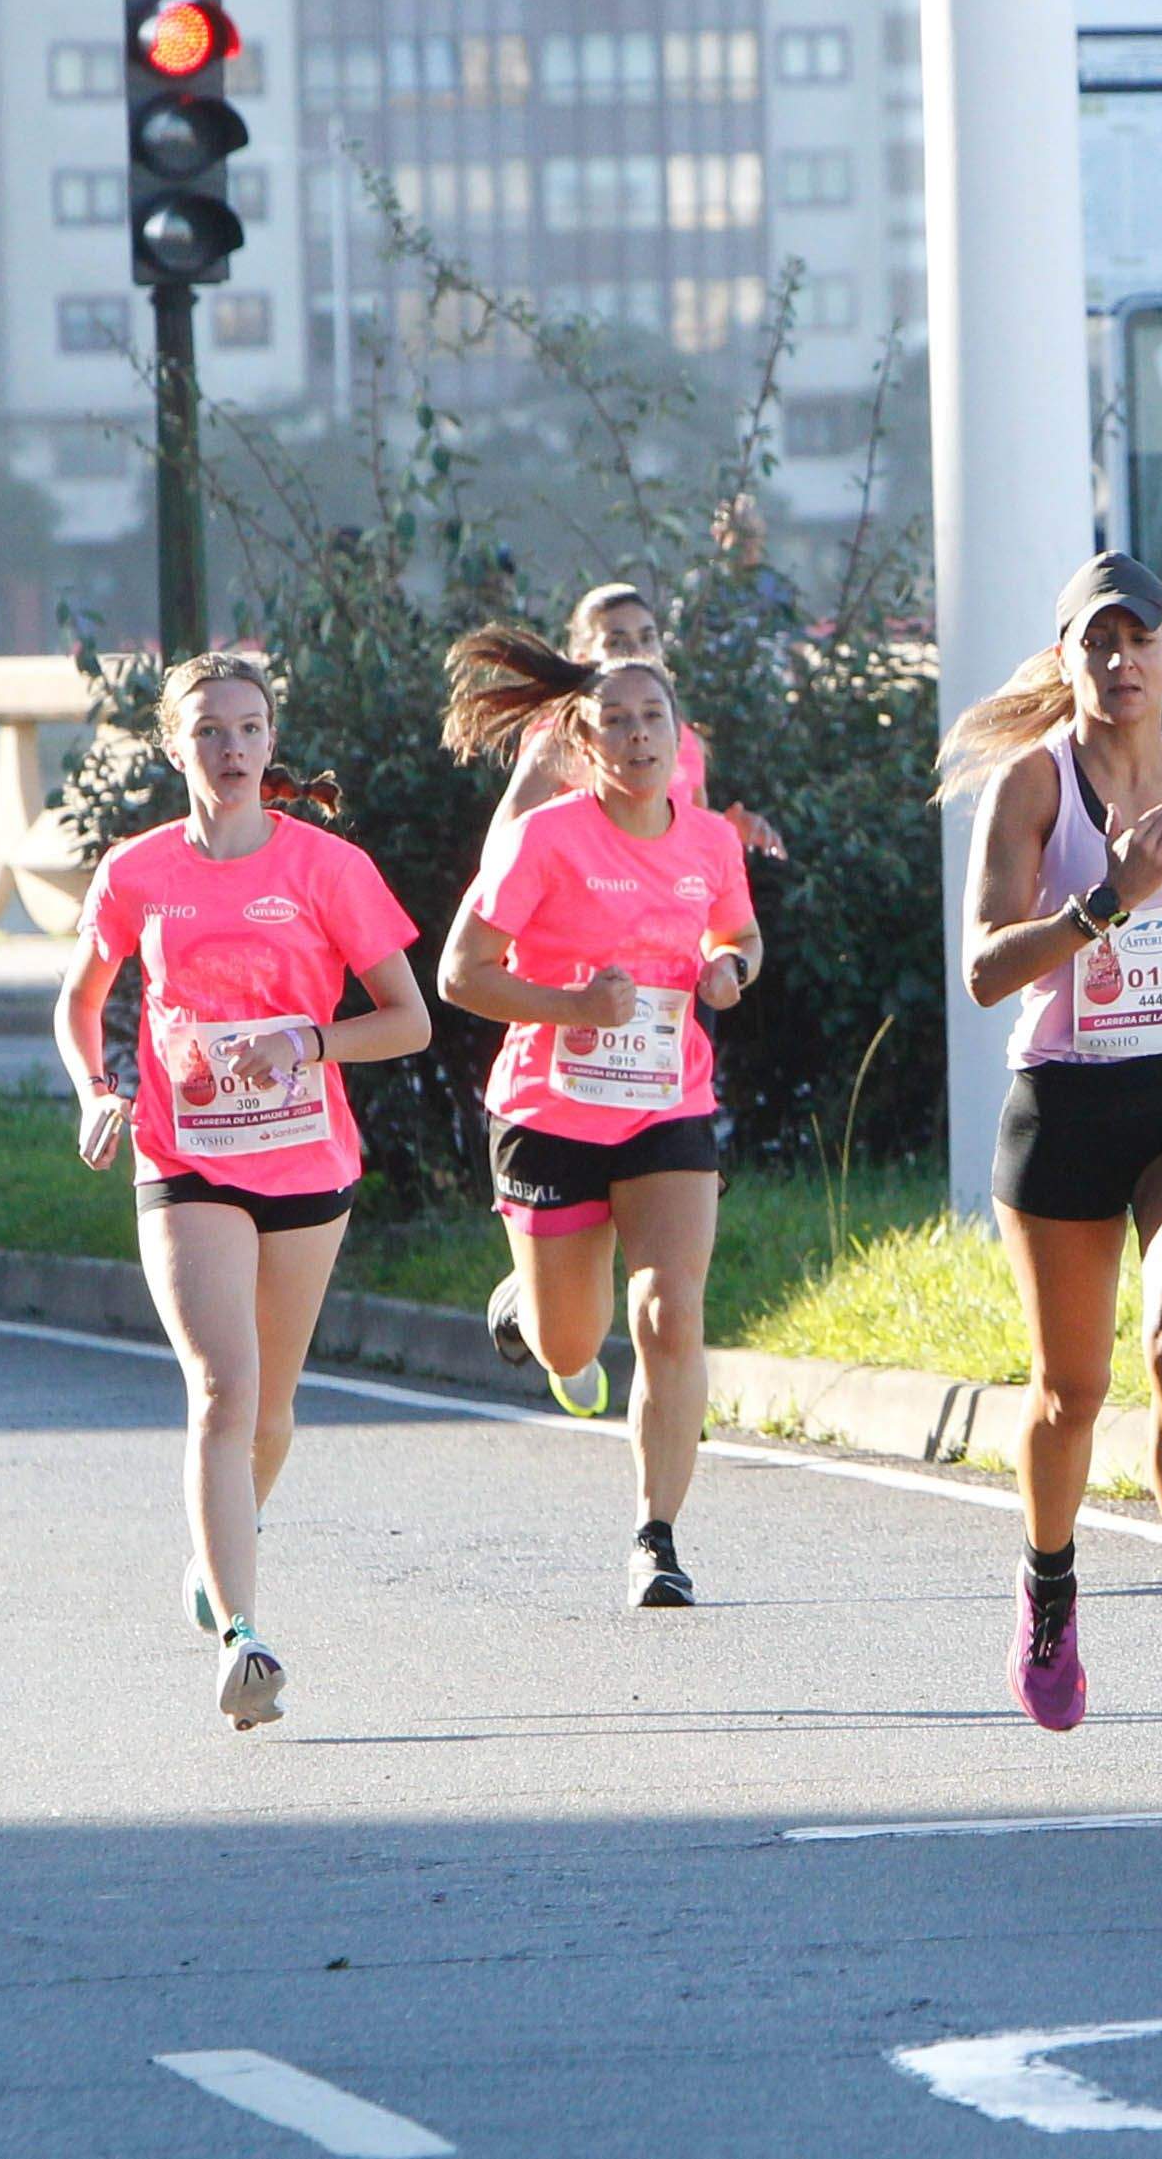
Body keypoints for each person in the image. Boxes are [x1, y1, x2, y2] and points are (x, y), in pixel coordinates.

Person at [940, 550, 1162, 1730]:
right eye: (1097, 640)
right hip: (1068, 1099)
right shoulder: (1033, 790)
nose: (1120, 659)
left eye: (1140, 638)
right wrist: (1101, 905)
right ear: (1066, 658)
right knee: (1068, 1390)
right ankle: (1048, 1593)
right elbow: (986, 966)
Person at [54, 651, 433, 1731]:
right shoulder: (137, 871)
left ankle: (216, 1558)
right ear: (175, 747)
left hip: (308, 1158)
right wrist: (95, 1087)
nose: (230, 749)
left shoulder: (328, 868)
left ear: (272, 745)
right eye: (209, 731)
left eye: (249, 728)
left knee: (272, 1408)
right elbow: (79, 1003)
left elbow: (407, 1018)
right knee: (223, 1387)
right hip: (185, 1159)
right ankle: (243, 1636)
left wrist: (311, 1039)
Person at [439, 627, 761, 1609]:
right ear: (583, 743)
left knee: (668, 1312)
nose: (634, 734)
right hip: (551, 1110)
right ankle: (526, 1309)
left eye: (650, 716)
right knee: (571, 1346)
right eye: (612, 720)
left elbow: (739, 933)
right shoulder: (547, 837)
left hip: (668, 1105)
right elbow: (460, 973)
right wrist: (575, 1007)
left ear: (677, 732)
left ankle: (655, 1536)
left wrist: (729, 970)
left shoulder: (708, 838)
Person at [490, 581, 787, 861]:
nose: (637, 652)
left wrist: (726, 828)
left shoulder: (685, 741)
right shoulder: (561, 739)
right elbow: (502, 847)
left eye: (647, 638)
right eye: (617, 642)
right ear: (582, 658)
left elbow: (687, 846)